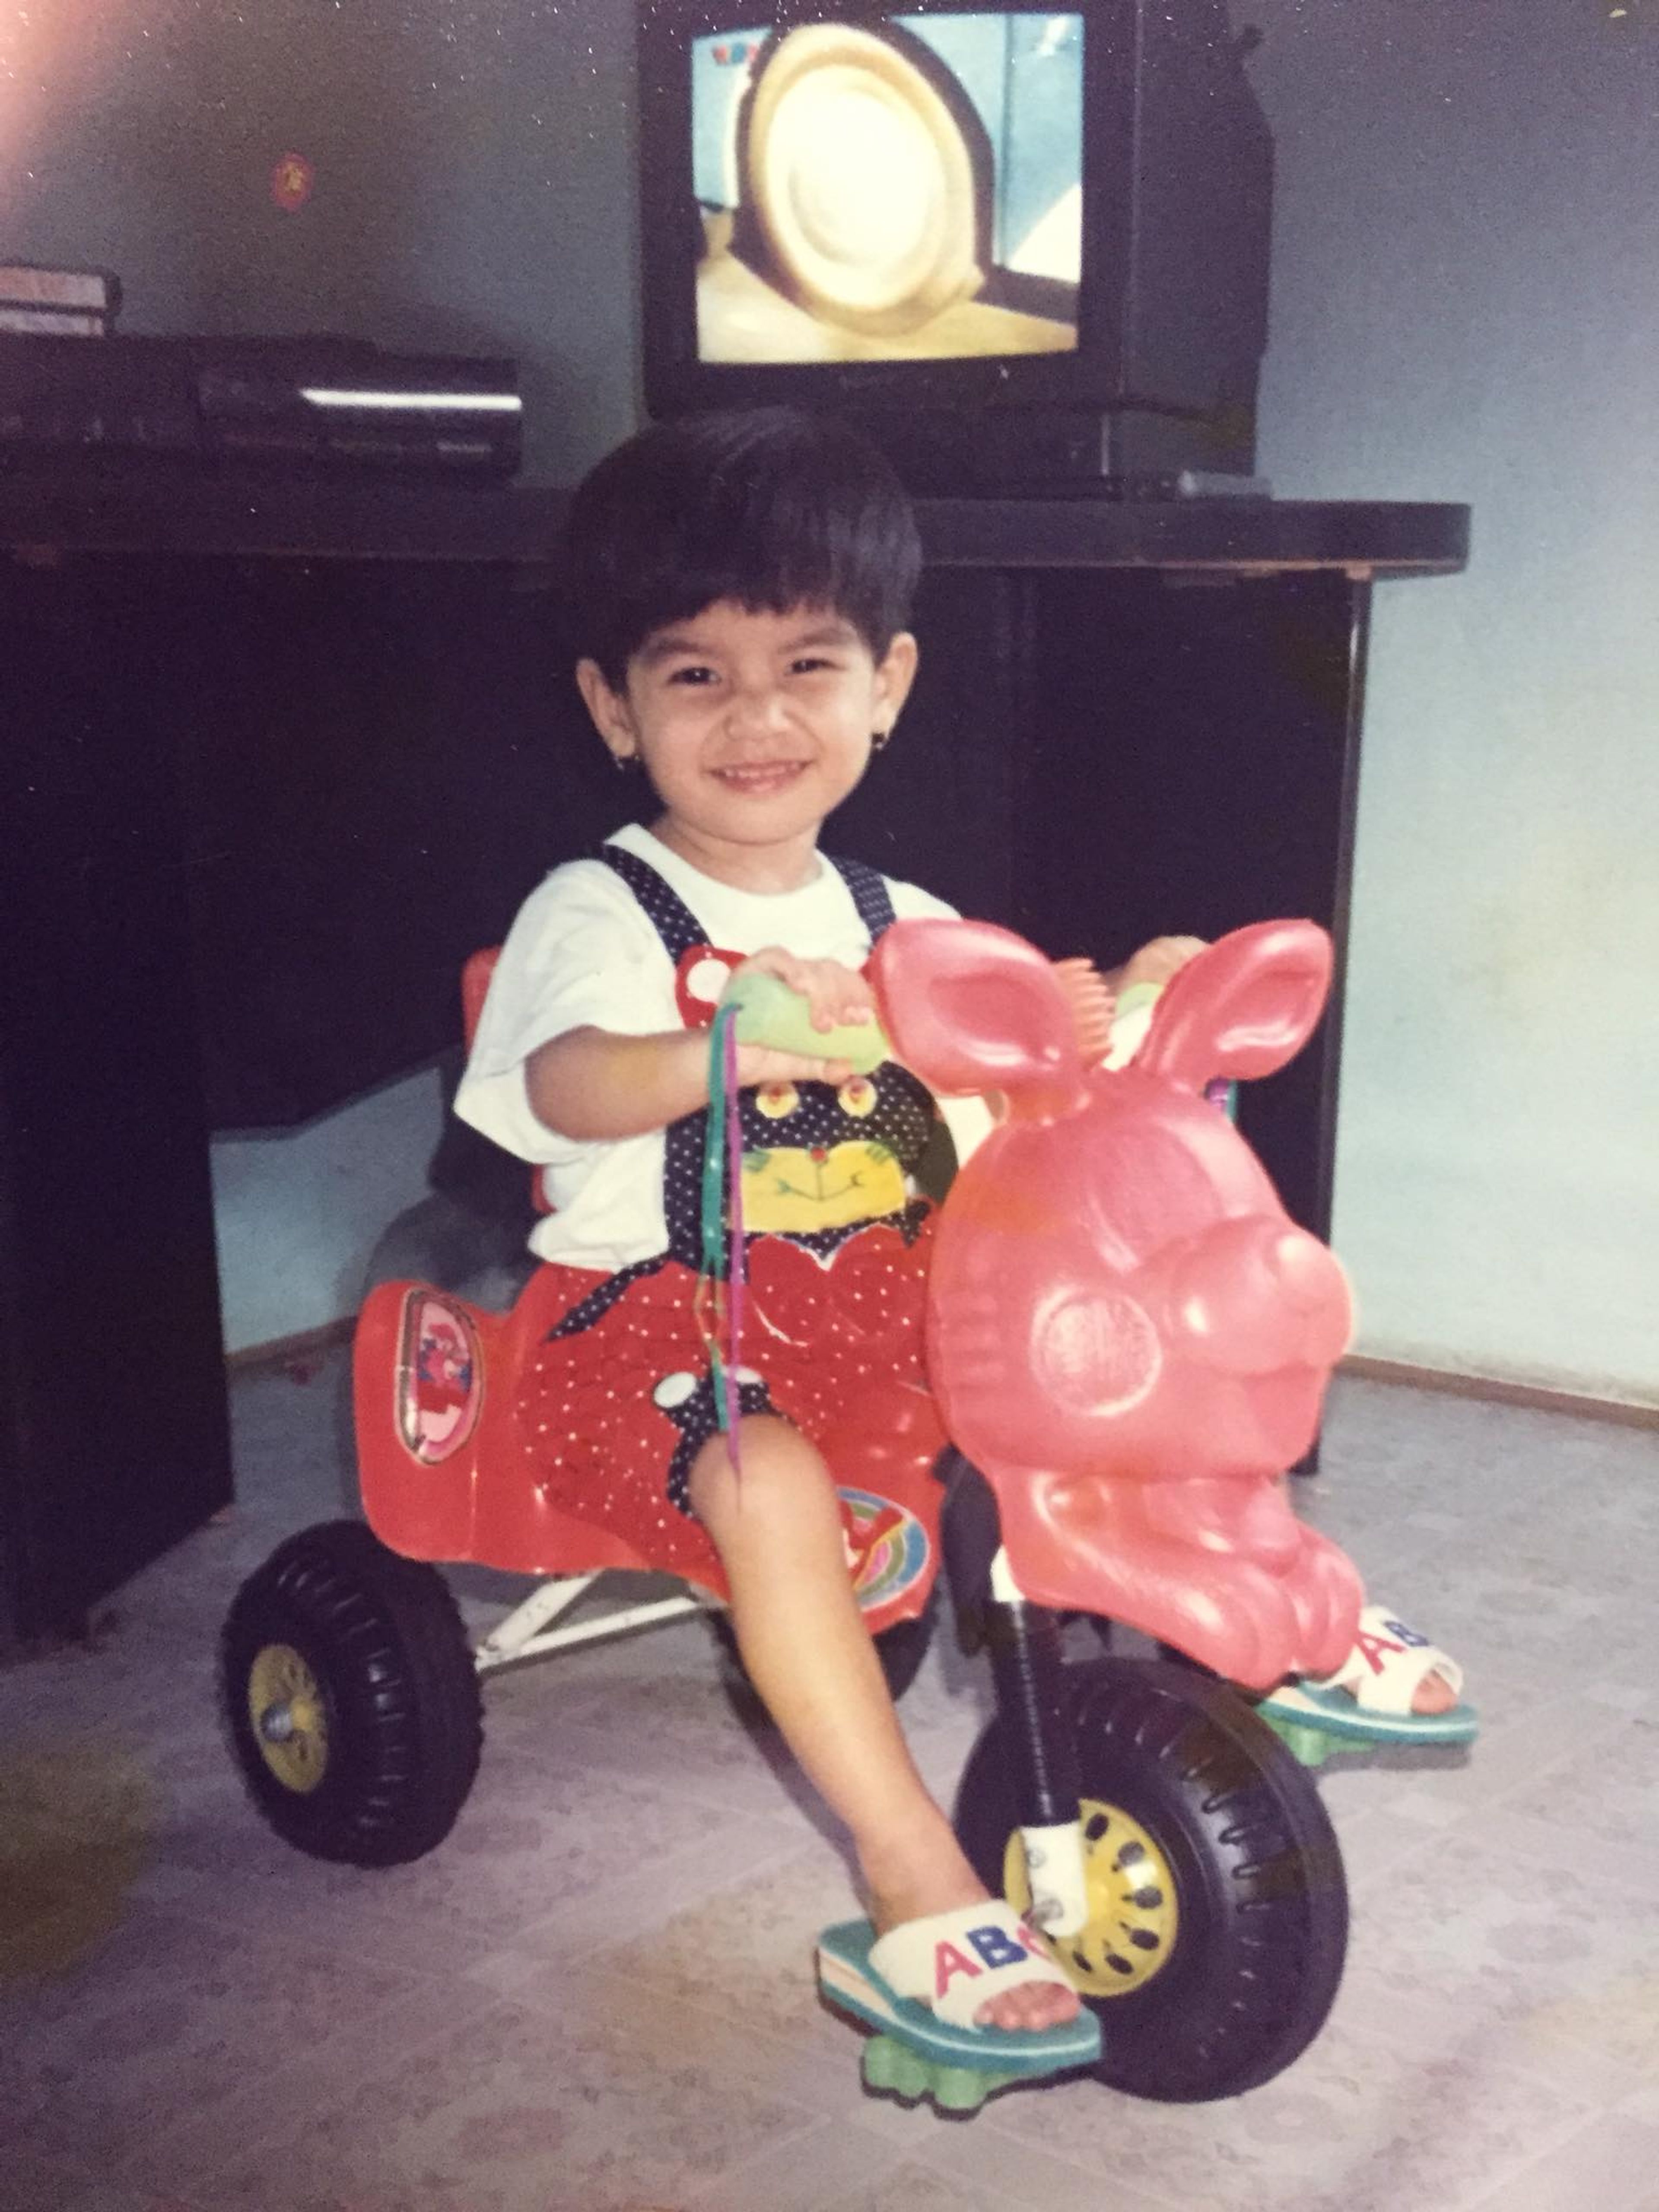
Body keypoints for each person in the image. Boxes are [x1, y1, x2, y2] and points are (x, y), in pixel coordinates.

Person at [455, 407, 1461, 2039]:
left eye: (809, 665)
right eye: (695, 674)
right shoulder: (600, 905)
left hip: (887, 1319)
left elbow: (1010, 1097)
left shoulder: (904, 921)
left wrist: (1134, 1013)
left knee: (1109, 1339)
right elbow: (555, 1086)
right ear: (613, 710)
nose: (759, 717)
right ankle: (909, 1866)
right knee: (768, 1478)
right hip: (656, 1335)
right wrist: (728, 1045)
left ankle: (1271, 1586)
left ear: (891, 687)